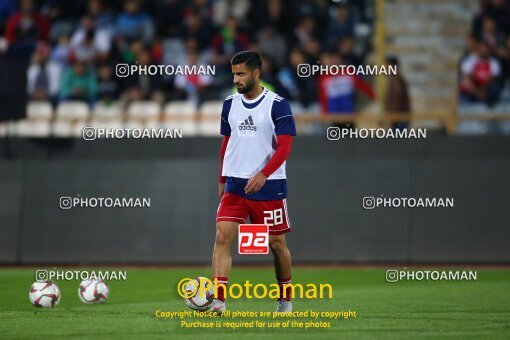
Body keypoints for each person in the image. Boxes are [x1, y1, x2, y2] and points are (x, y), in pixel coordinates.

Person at [211, 51, 296, 313]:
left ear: (256, 74)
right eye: (234, 74)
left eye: (241, 74)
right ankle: (219, 301)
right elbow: (227, 141)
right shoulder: (229, 104)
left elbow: (285, 147)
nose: (236, 79)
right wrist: (223, 178)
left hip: (268, 187)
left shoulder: (277, 104)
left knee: (276, 245)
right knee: (223, 237)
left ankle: (285, 298)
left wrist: (264, 174)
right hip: (235, 186)